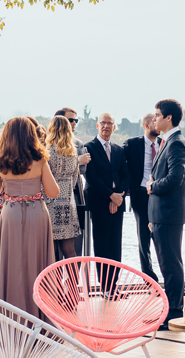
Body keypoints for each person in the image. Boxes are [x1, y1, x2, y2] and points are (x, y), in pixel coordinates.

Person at [0, 116, 60, 319]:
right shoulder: (40, 159)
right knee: (38, 263)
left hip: (11, 212)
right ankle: (39, 318)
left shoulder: (0, 161)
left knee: (12, 264)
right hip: (37, 212)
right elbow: (53, 192)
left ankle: (11, 317)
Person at [148, 99, 185, 327]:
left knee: (171, 264)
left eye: (156, 115)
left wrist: (153, 186)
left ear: (168, 118)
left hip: (169, 215)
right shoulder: (167, 141)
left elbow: (176, 178)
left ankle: (174, 311)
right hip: (160, 215)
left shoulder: (176, 143)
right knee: (166, 264)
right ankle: (170, 308)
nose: (153, 119)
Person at [84, 113, 129, 270]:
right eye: (103, 123)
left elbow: (125, 175)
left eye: (109, 123)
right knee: (101, 246)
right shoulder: (88, 147)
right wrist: (111, 196)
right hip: (99, 203)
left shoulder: (119, 150)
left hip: (118, 203)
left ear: (114, 127)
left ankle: (114, 286)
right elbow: (91, 178)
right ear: (97, 125)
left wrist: (118, 196)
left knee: (116, 245)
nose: (106, 126)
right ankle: (105, 286)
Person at [122, 113, 160, 282]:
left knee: (160, 237)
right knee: (144, 239)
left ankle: (168, 276)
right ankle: (149, 278)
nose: (157, 124)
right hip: (141, 195)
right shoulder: (132, 144)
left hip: (159, 195)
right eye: (154, 121)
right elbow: (121, 168)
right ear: (146, 125)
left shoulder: (163, 144)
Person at [44, 115, 82, 261]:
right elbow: (74, 181)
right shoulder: (73, 154)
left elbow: (44, 182)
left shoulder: (47, 154)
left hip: (51, 203)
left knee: (51, 251)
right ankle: (72, 281)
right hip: (68, 204)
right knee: (69, 250)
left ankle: (54, 283)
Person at [55, 107, 91, 255]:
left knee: (75, 247)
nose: (74, 123)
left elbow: (83, 170)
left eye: (76, 120)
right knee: (53, 249)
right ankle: (53, 279)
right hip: (53, 201)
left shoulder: (78, 143)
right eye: (70, 120)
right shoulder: (48, 144)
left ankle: (73, 279)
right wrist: (77, 161)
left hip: (75, 199)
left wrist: (71, 164)